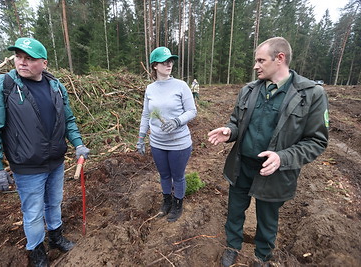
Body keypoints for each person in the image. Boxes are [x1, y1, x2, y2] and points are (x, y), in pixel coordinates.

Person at [208, 37, 329, 267]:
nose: (256, 66)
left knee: (267, 218)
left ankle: (262, 257)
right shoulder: (248, 90)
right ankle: (232, 246)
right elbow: (237, 122)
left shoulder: (311, 94)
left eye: (261, 60)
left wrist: (282, 157)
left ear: (280, 58)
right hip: (242, 165)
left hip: (274, 171)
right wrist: (229, 131)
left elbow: (316, 141)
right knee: (234, 210)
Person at [0, 37, 90, 267]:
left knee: (55, 202)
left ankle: (56, 238)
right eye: (19, 57)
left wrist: (78, 143)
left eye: (29, 59)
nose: (22, 62)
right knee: (33, 211)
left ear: (44, 63)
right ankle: (36, 250)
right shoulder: (3, 85)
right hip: (27, 166)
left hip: (56, 161)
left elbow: (68, 120)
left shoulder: (56, 86)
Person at [136, 47, 197, 222]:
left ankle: (178, 204)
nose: (169, 64)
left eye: (171, 60)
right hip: (157, 142)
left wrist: (177, 121)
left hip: (179, 142)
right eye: (164, 61)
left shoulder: (181, 86)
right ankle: (167, 201)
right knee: (164, 175)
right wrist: (141, 138)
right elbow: (146, 115)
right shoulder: (150, 89)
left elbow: (192, 111)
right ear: (155, 65)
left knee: (177, 176)